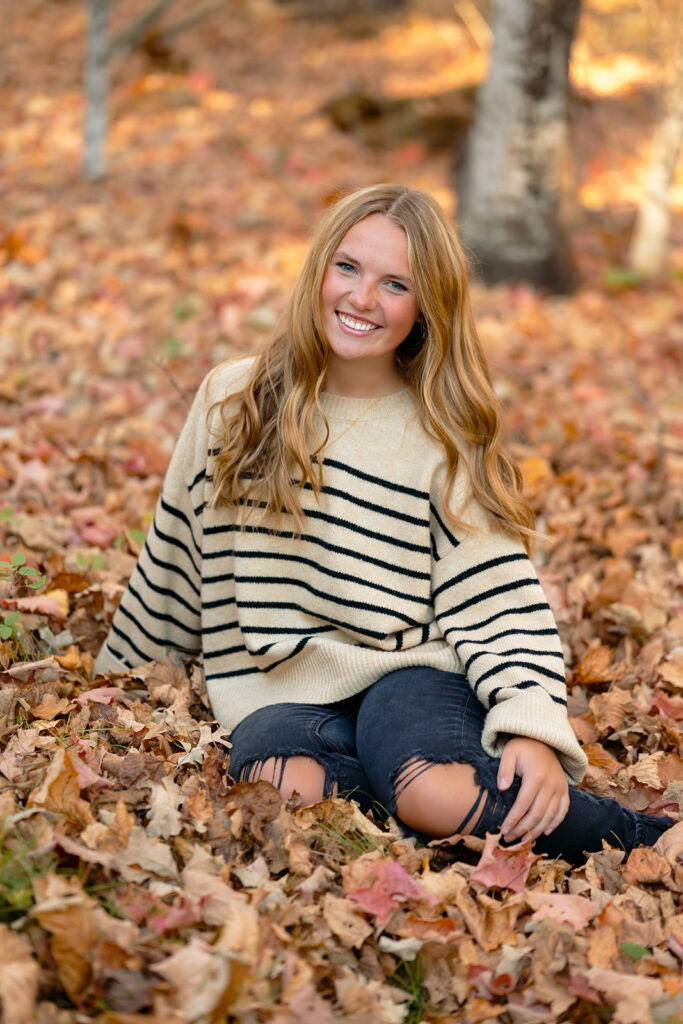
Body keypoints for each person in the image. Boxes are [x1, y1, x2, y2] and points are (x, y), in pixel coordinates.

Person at [94, 184, 673, 865]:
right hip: (280, 687)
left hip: (413, 672)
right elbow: (177, 548)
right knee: (281, 796)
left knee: (428, 791)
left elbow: (497, 599)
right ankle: (402, 803)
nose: (362, 299)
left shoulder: (442, 437)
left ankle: (643, 841)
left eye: (394, 283)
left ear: (425, 307)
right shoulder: (233, 399)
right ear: (318, 271)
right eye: (348, 268)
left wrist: (531, 730)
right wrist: (123, 677)